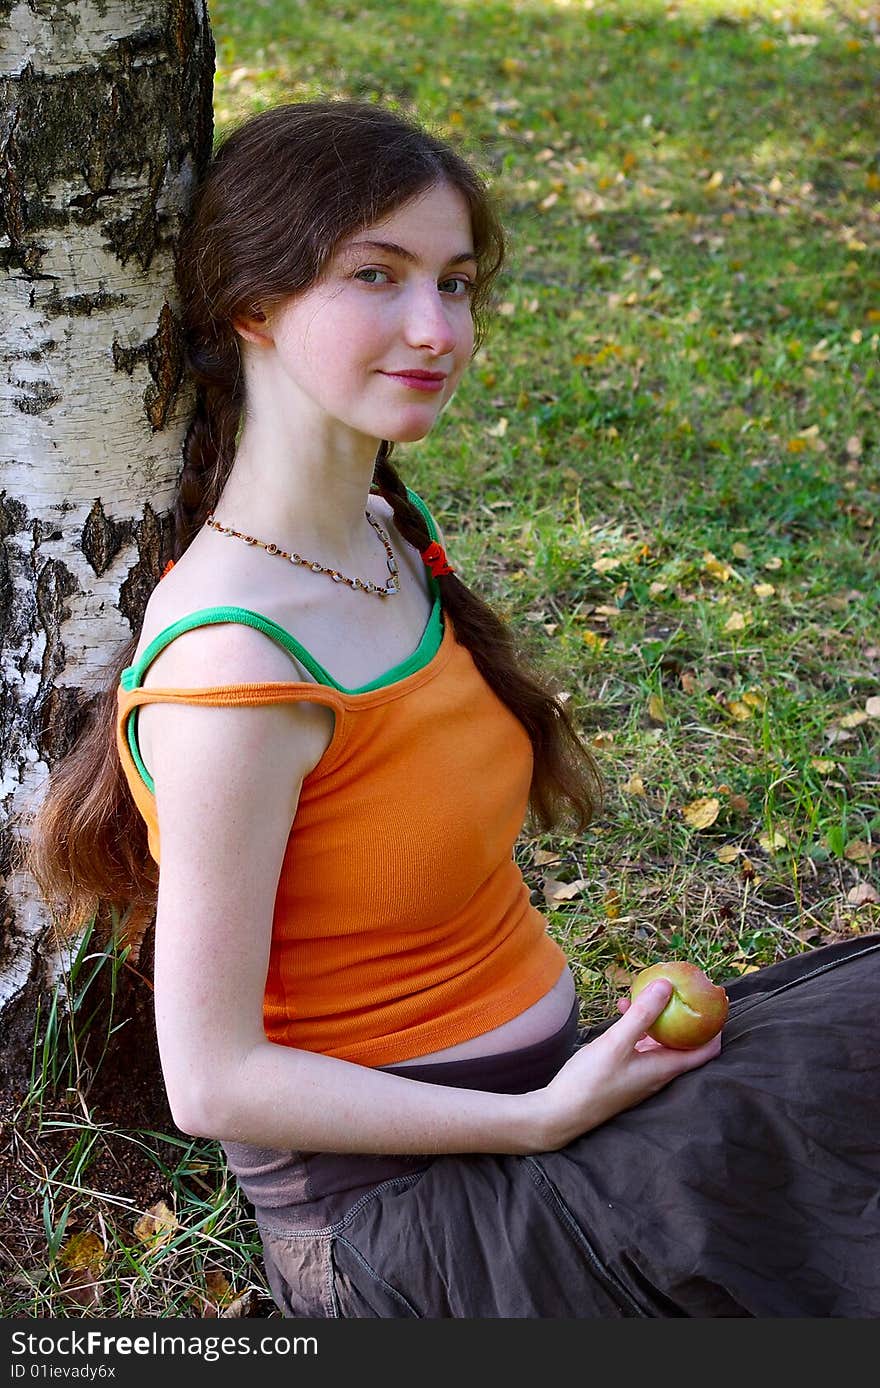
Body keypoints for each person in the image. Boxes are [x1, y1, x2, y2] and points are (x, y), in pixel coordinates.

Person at [26, 100, 880, 1319]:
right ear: (252, 305)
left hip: (549, 1116)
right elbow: (211, 1083)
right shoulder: (235, 665)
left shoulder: (375, 533)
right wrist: (533, 1118)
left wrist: (561, 1093)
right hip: (426, 1225)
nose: (436, 328)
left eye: (457, 282)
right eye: (375, 276)